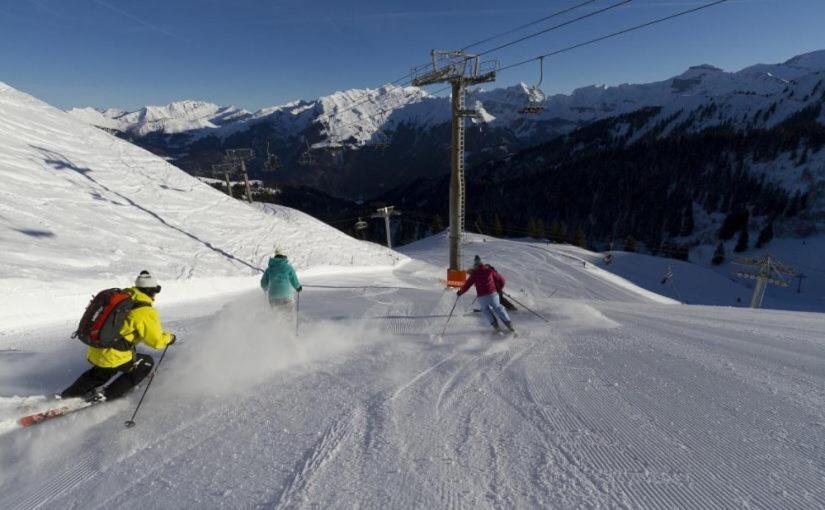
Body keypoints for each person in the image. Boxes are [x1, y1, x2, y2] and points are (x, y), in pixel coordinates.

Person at [61, 271, 176, 402]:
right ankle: (108, 395)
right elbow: (156, 342)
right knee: (146, 363)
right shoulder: (145, 311)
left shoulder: (122, 298)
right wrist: (170, 338)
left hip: (97, 347)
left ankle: (68, 396)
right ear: (151, 291)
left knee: (101, 372)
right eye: (156, 290)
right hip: (114, 354)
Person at [457, 255, 515, 333]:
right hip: (493, 294)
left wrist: (460, 292)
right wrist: (499, 288)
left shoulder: (475, 274)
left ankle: (496, 327)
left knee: (485, 310)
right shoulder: (489, 270)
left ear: (475, 265)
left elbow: (467, 285)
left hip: (482, 297)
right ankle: (510, 326)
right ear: (482, 263)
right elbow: (502, 280)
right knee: (498, 307)